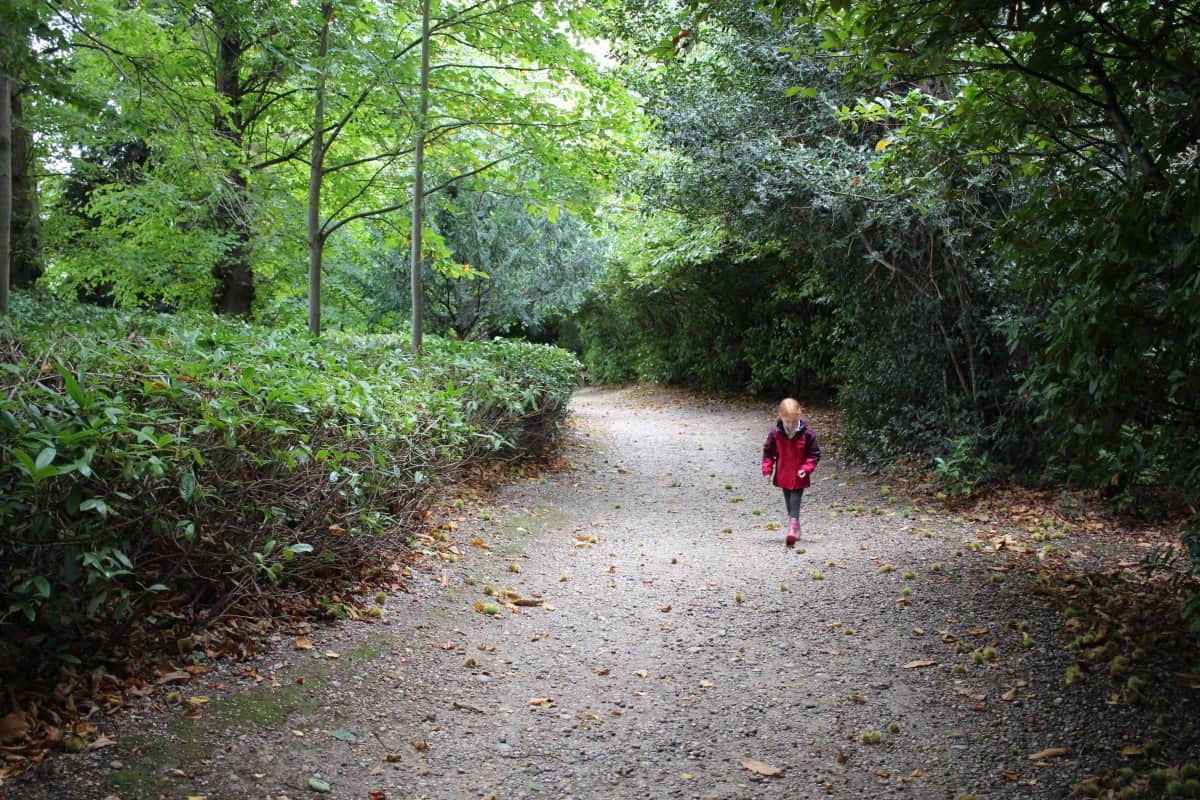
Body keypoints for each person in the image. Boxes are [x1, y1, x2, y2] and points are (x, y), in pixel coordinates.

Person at [761, 398, 821, 547]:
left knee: (795, 497)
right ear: (781, 417)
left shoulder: (807, 434)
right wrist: (767, 470)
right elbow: (768, 453)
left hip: (799, 473)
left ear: (799, 416)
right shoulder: (776, 433)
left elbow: (814, 454)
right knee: (788, 499)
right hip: (783, 473)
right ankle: (794, 525)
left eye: (794, 421)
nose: (791, 425)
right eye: (788, 421)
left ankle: (793, 527)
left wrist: (806, 468)